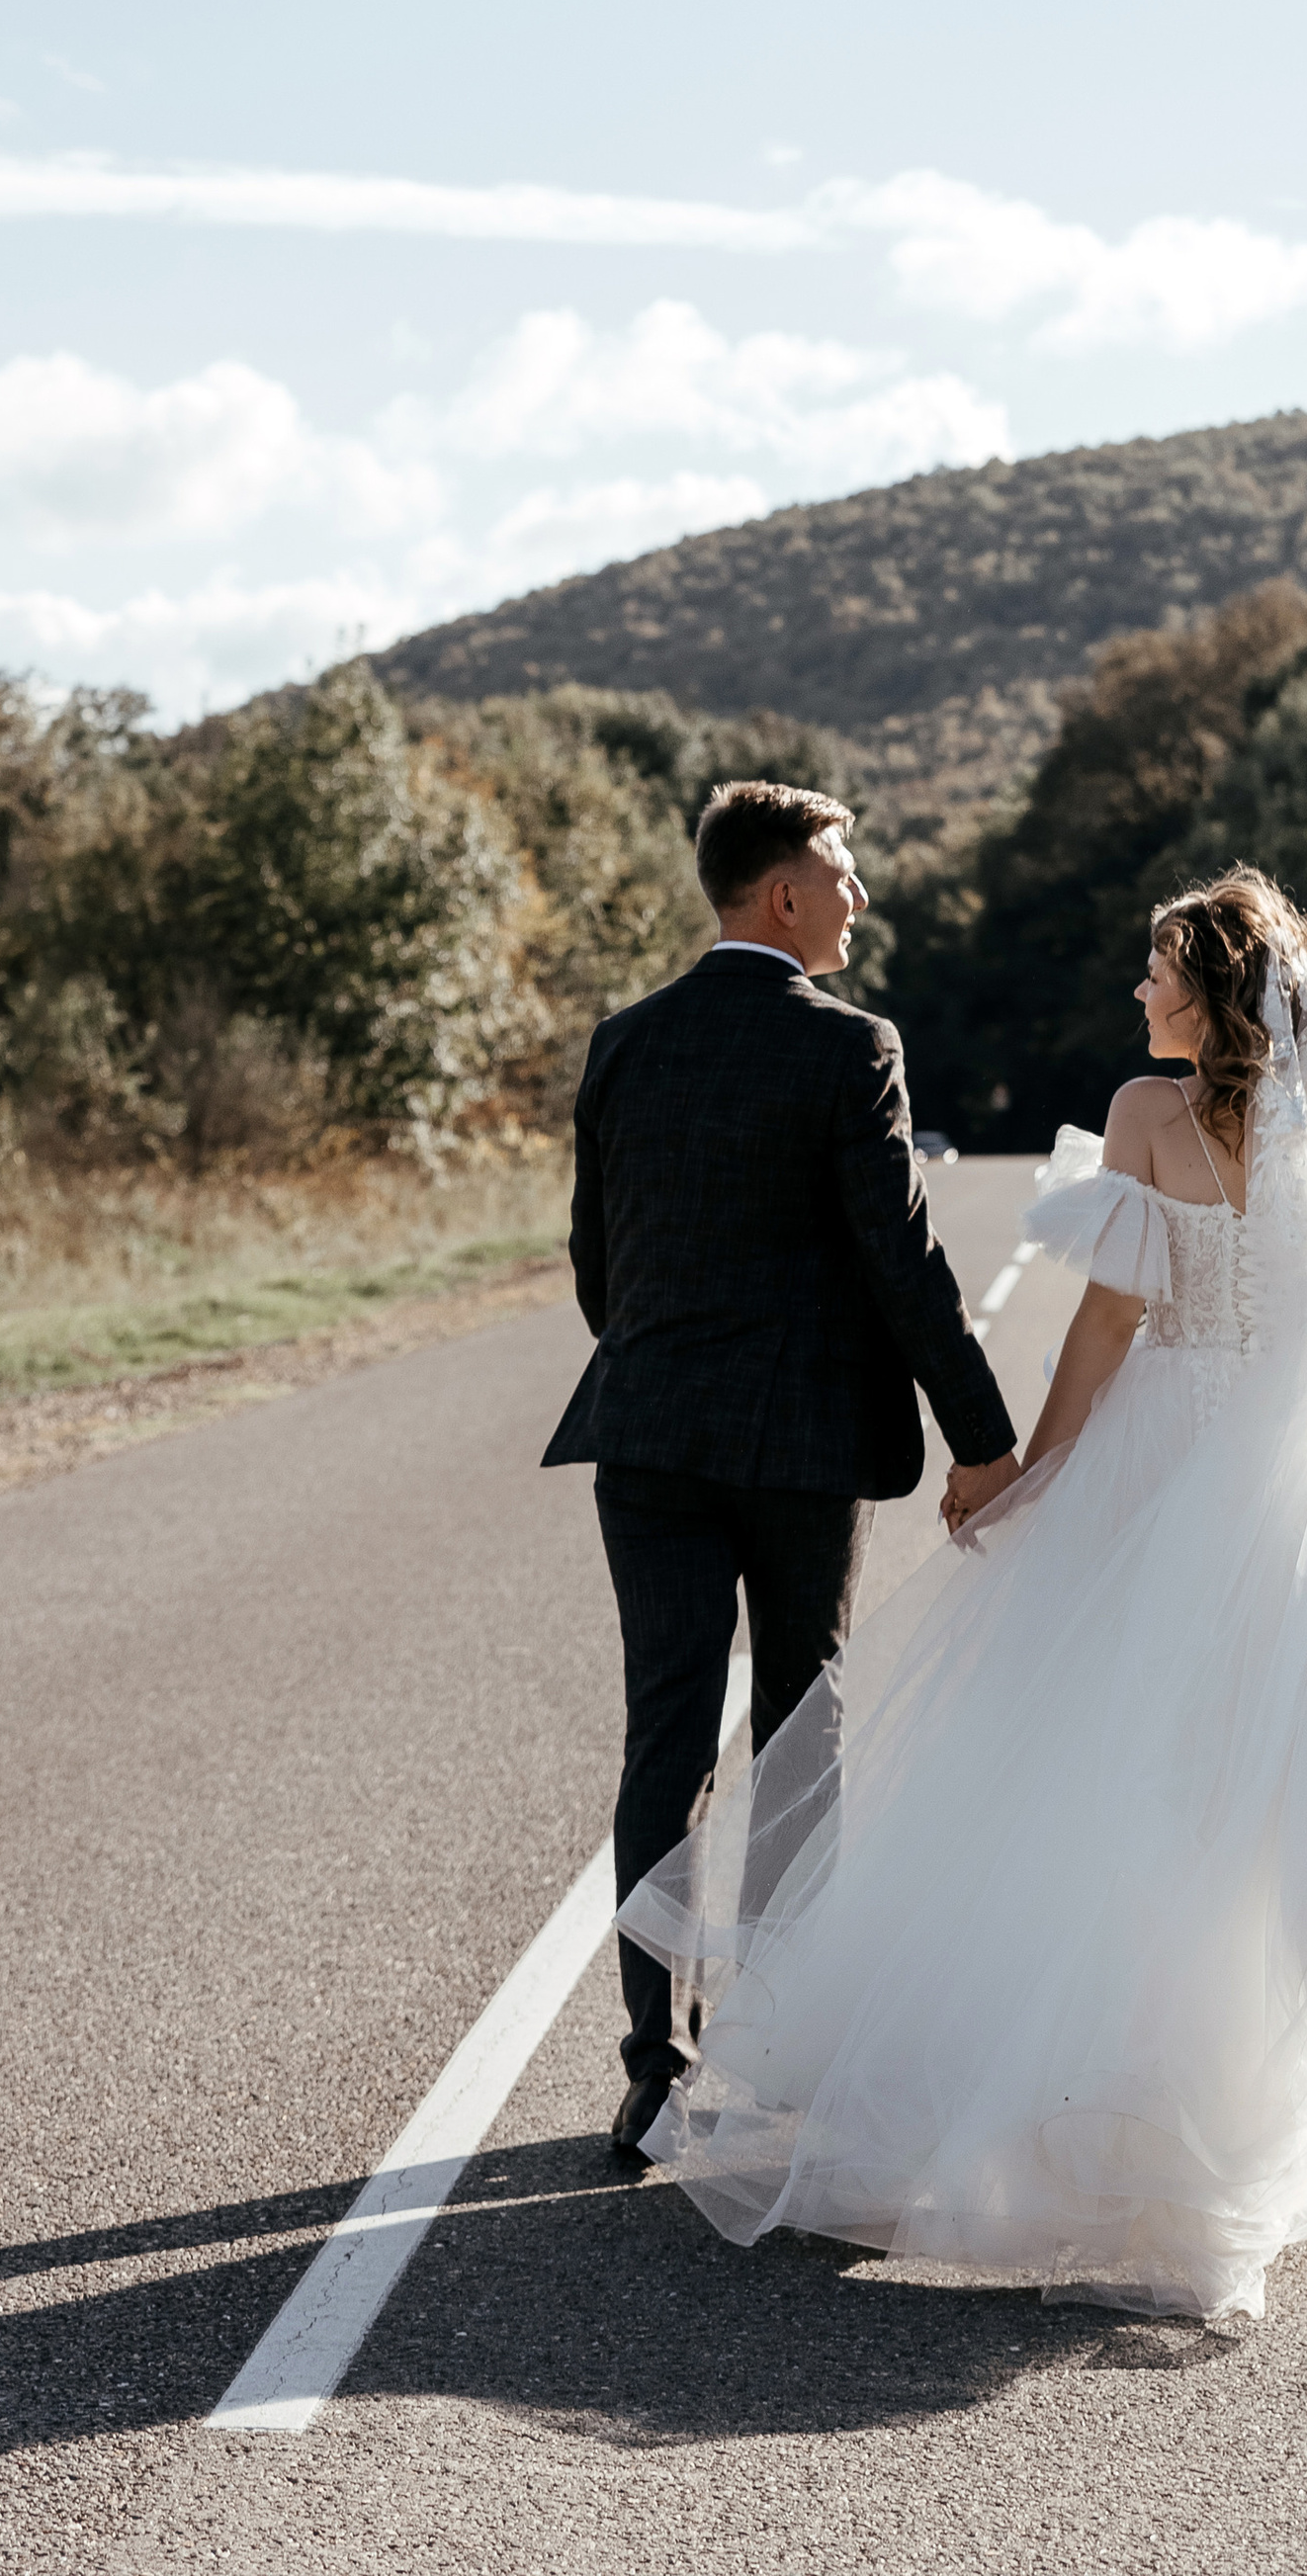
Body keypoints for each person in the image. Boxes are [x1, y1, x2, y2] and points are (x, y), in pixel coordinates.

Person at [616, 861, 1307, 2326]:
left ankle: (1078, 2117)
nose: (1138, 994)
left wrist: (1032, 1468)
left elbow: (1111, 1315)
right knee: (1252, 1820)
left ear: (1207, 990)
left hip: (1166, 1465)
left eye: (1155, 973)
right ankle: (1211, 2155)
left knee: (1105, 1789)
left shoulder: (1145, 1114)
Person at [544, 777, 1021, 2165]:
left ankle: (652, 2061)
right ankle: (777, 2049)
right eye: (842, 870)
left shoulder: (624, 1041)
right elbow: (906, 1266)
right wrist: (985, 1442)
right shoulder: (850, 1046)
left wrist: (663, 1363)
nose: (858, 896)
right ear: (783, 895)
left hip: (646, 1434)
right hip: (800, 1448)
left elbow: (597, 1266)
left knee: (665, 1740)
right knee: (801, 1738)